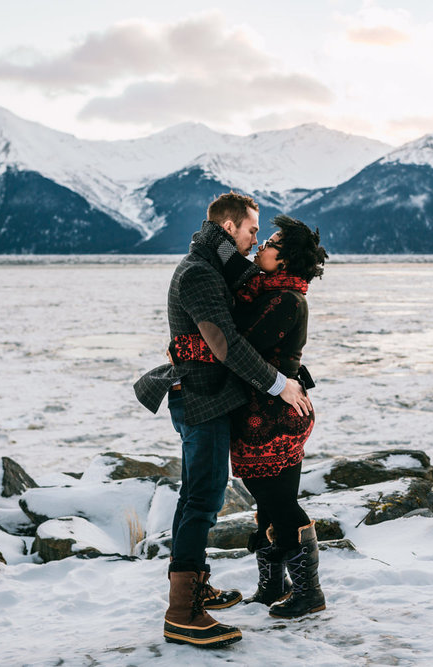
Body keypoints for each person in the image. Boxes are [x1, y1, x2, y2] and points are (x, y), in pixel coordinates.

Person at [134, 193, 312, 649]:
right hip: (200, 400)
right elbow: (224, 343)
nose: (256, 242)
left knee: (198, 494)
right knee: (203, 498)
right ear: (230, 228)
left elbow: (260, 285)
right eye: (252, 231)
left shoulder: (214, 265)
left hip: (210, 398)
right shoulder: (198, 273)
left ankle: (197, 587)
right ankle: (183, 613)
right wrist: (279, 384)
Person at [169, 215, 328, 619]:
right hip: (263, 414)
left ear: (286, 260)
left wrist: (187, 350)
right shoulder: (265, 286)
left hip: (274, 417)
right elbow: (223, 251)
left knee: (281, 505)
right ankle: (273, 585)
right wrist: (218, 229)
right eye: (260, 235)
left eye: (271, 242)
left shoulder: (285, 300)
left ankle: (309, 593)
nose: (261, 246)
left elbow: (238, 348)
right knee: (269, 505)